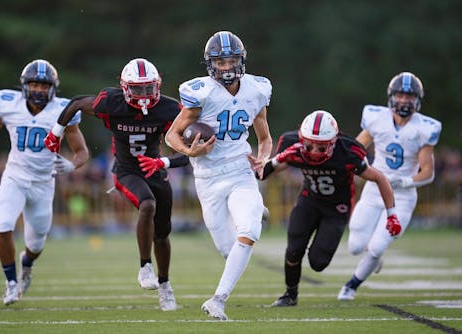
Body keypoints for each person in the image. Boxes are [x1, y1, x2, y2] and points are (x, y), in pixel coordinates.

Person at [44, 58, 186, 311]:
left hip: (155, 170)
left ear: (158, 86)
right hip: (126, 170)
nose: (144, 95)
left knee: (163, 235)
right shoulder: (111, 103)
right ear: (124, 87)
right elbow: (76, 102)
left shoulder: (170, 109)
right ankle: (145, 267)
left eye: (148, 88)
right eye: (138, 89)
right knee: (147, 205)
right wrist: (56, 132)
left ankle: (165, 286)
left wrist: (164, 162)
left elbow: (190, 152)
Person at [0, 59, 89, 305]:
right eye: (34, 84)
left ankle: (26, 263)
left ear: (53, 87)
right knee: (3, 223)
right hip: (14, 177)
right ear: (25, 85)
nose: (39, 90)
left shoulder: (62, 110)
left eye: (44, 85)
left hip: (43, 183)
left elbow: (82, 151)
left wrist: (73, 164)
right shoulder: (9, 105)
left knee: (36, 242)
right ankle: (11, 282)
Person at [165, 30, 273, 320]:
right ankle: (254, 208)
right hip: (209, 178)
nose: (226, 67)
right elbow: (172, 135)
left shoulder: (257, 89)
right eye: (220, 62)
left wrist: (263, 159)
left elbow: (264, 138)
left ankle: (218, 299)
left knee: (248, 232)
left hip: (240, 171)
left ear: (242, 60)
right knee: (229, 251)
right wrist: (189, 153)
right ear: (211, 64)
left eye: (231, 60)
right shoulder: (200, 92)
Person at [258, 110, 398, 307]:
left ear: (333, 142)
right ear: (301, 138)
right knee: (293, 250)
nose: (314, 151)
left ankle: (367, 249)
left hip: (337, 208)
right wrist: (265, 164)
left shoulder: (348, 152)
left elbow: (379, 178)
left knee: (318, 262)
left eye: (321, 147)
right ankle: (290, 295)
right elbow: (263, 174)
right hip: (309, 200)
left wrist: (391, 214)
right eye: (309, 145)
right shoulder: (293, 146)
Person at [337, 72, 442, 301]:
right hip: (374, 189)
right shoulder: (376, 118)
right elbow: (357, 148)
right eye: (400, 95)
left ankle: (351, 286)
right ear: (391, 96)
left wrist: (405, 181)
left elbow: (428, 172)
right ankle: (373, 258)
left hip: (402, 197)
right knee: (356, 246)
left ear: (417, 100)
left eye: (409, 96)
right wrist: (351, 163)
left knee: (376, 247)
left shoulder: (424, 128)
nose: (404, 100)